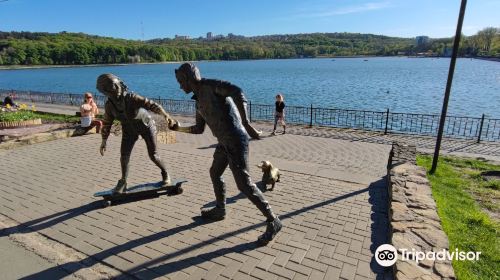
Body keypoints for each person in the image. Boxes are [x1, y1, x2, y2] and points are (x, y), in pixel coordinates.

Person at [169, 62, 281, 245]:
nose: (180, 85)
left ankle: (273, 220)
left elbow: (237, 91)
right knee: (215, 173)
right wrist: (178, 128)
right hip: (223, 143)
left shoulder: (211, 86)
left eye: (181, 81)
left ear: (189, 78)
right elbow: (199, 129)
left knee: (244, 185)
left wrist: (245, 122)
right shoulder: (198, 100)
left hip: (236, 141)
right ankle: (220, 209)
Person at [96, 73, 174, 194]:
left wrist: (165, 115)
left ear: (120, 85)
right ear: (105, 92)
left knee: (153, 155)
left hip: (146, 126)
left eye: (117, 86)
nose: (116, 90)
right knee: (124, 156)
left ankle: (166, 174)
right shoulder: (109, 105)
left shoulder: (131, 98)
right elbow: (107, 123)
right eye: (112, 89)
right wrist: (104, 141)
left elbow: (152, 105)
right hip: (128, 129)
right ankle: (123, 181)